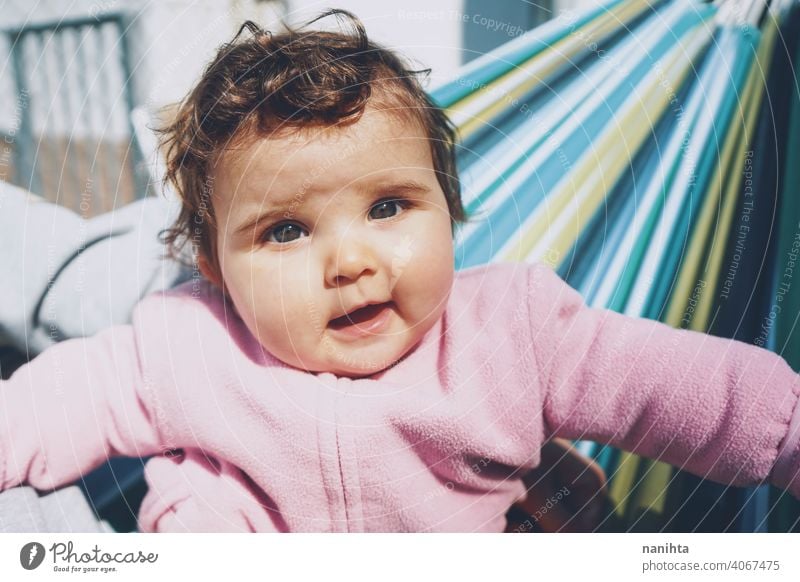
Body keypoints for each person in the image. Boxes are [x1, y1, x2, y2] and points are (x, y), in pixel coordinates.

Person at [1, 10, 797, 532]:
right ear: (216, 268)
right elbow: (61, 399)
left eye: (388, 208)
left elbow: (673, 384)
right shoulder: (188, 342)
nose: (350, 261)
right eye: (284, 231)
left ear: (446, 209)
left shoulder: (511, 333)